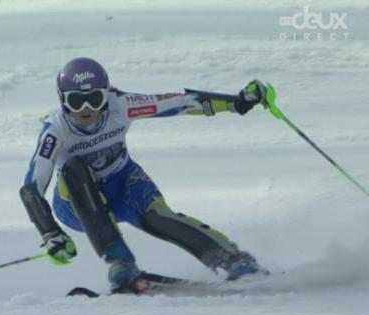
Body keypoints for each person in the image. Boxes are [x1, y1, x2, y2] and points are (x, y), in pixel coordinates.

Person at [20, 57, 268, 294]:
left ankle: (234, 262)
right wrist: (51, 233)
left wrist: (236, 102)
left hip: (123, 185)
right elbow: (31, 187)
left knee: (158, 218)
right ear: (62, 100)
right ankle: (120, 264)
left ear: (107, 95)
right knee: (74, 169)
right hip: (76, 205)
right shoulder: (55, 131)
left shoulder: (122, 105)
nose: (87, 109)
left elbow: (180, 102)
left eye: (95, 99)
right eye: (76, 101)